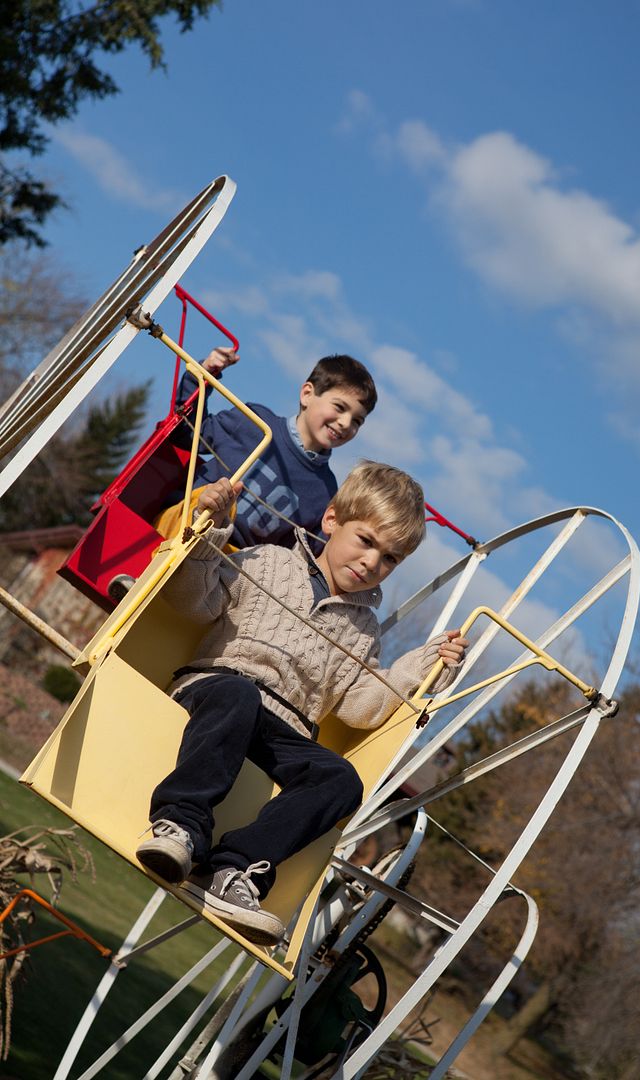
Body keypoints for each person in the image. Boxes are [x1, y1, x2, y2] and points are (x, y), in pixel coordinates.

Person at [137, 461, 467, 945]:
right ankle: (180, 827)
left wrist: (423, 666)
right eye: (366, 541)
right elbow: (193, 602)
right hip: (218, 691)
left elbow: (359, 707)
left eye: (390, 558)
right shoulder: (270, 560)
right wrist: (210, 532)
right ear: (331, 520)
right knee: (238, 694)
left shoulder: (363, 628)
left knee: (339, 778)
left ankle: (234, 871)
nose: (373, 562)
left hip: (282, 727)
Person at [158, 346, 377, 551]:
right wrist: (203, 375)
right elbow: (185, 432)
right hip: (181, 525)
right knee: (210, 502)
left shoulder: (324, 493)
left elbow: (296, 555)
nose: (346, 423)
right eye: (339, 407)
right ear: (307, 394)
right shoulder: (253, 422)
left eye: (357, 421)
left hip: (226, 563)